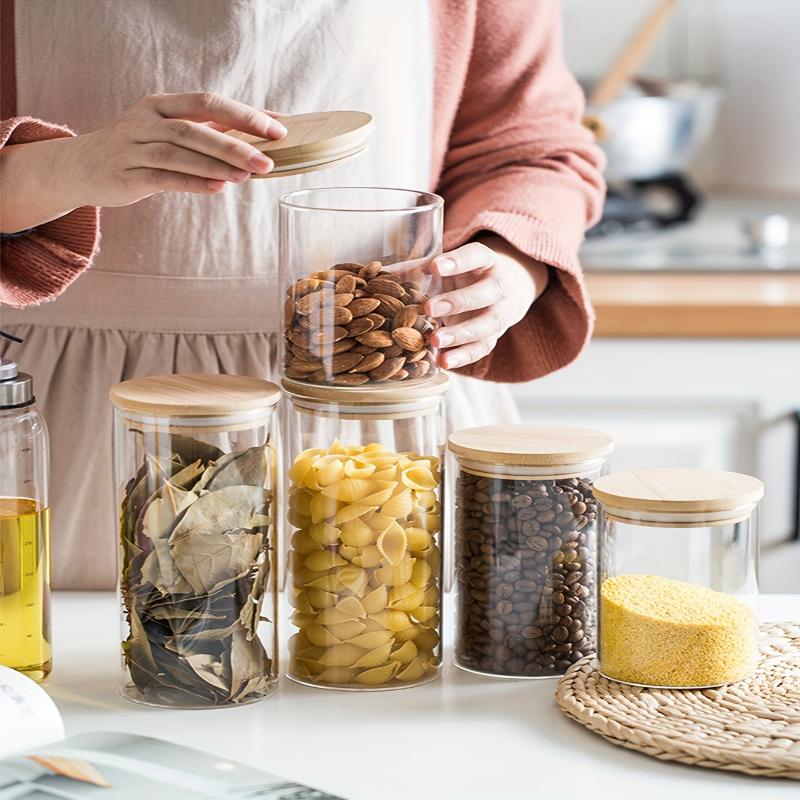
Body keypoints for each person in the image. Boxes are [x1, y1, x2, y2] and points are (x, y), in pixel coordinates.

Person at [0, 0, 605, 589]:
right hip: (69, 409)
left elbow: (532, 149)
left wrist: (511, 264)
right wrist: (64, 167)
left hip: (378, 393)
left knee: (387, 638)